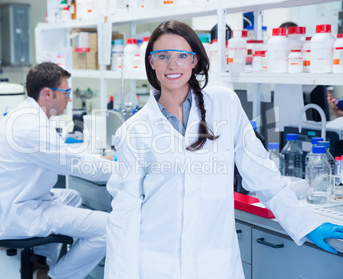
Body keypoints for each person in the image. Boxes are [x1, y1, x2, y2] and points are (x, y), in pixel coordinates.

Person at [104, 20, 343, 278]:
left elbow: (262, 173)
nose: (172, 65)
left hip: (214, 263)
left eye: (182, 56)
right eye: (163, 56)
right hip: (156, 264)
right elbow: (125, 215)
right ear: (151, 62)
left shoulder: (224, 103)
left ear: (194, 60)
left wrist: (306, 224)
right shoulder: (134, 131)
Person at [0, 62, 113, 279]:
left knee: (71, 196)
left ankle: (39, 263)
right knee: (108, 227)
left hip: (8, 200)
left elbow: (63, 155)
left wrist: (100, 159)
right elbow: (76, 164)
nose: (69, 99)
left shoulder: (26, 115)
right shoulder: (31, 128)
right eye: (66, 92)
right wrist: (124, 168)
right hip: (17, 212)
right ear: (48, 94)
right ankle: (55, 276)